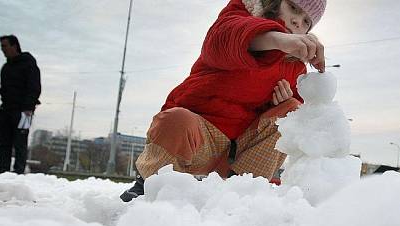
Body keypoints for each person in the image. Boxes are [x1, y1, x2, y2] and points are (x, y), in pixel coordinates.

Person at [120, 0, 327, 201]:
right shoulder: (240, 13)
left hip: (242, 154)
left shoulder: (294, 65)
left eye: (306, 21)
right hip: (197, 139)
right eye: (292, 7)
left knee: (292, 110)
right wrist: (276, 39)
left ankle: (238, 194)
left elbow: (297, 121)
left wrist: (283, 102)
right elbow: (222, 39)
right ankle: (147, 186)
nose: (297, 22)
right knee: (176, 119)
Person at [0, 35, 41, 175]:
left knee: (20, 143)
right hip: (5, 110)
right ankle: (2, 171)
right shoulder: (5, 68)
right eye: (1, 46)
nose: (2, 49)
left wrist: (29, 107)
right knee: (4, 143)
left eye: (4, 46)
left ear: (14, 46)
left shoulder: (29, 64)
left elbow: (34, 87)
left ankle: (18, 173)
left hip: (24, 112)